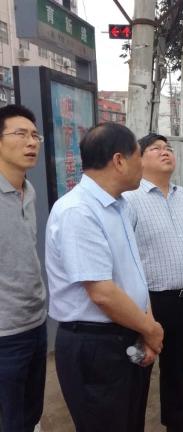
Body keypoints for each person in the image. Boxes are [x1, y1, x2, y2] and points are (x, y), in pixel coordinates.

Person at [45, 123, 164, 431]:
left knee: (130, 421)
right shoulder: (78, 212)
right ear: (119, 161)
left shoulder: (121, 207)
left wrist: (146, 326)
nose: (142, 165)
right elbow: (101, 292)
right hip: (95, 346)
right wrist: (150, 329)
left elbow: (133, 273)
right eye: (138, 156)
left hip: (128, 330)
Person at [124, 134, 183, 432]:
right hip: (147, 302)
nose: (165, 152)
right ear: (139, 158)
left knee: (178, 363)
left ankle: (177, 420)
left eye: (168, 148)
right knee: (139, 366)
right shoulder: (129, 200)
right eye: (156, 149)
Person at [0, 105, 47, 432]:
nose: (31, 142)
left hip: (35, 322)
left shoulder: (28, 191)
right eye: (20, 134)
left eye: (34, 135)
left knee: (31, 414)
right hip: (4, 334)